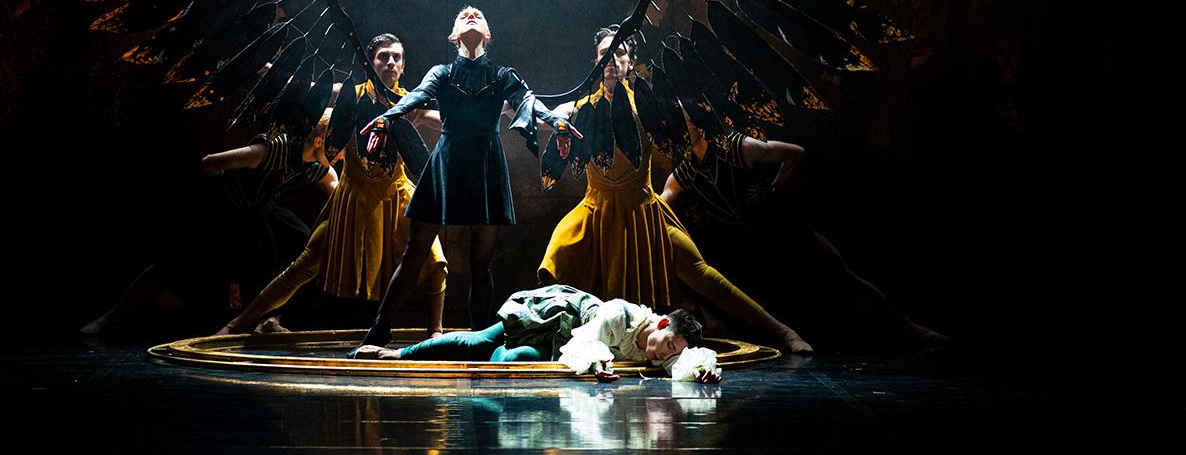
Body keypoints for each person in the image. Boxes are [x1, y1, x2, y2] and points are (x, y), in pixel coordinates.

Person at [537, 28, 812, 354]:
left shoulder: (649, 107)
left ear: (631, 63)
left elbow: (695, 117)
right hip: (596, 211)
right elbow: (552, 116)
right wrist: (521, 109)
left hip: (644, 210)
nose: (612, 61)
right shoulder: (582, 108)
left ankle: (783, 332)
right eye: (604, 55)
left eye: (620, 53)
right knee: (554, 267)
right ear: (595, 63)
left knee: (705, 276)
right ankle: (535, 337)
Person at [349, 6, 582, 352]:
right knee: (416, 250)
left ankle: (477, 338)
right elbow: (417, 96)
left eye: (478, 15)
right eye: (463, 15)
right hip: (447, 163)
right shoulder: (441, 72)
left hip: (485, 166)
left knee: (480, 262)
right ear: (454, 35)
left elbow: (528, 102)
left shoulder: (503, 75)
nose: (471, 14)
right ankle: (380, 328)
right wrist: (387, 117)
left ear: (487, 35)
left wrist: (557, 122)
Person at [215, 33, 449, 336]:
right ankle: (238, 323)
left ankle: (436, 332)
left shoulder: (410, 102)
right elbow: (302, 90)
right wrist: (258, 66)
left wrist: (489, 113)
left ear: (403, 66)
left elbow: (444, 118)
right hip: (352, 197)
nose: (390, 62)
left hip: (397, 197)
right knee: (306, 264)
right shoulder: (349, 94)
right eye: (383, 56)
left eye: (396, 57)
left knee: (435, 261)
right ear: (370, 63)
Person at [661, 116, 946, 347]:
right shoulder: (686, 171)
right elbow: (662, 200)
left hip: (787, 227)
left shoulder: (738, 146)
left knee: (841, 275)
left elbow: (794, 153)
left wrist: (772, 188)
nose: (685, 127)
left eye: (688, 120)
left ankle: (908, 328)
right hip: (755, 241)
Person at [80, 122, 335, 335]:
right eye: (337, 146)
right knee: (172, 264)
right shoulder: (276, 148)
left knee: (298, 243)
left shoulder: (314, 166)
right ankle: (111, 317)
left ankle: (268, 320)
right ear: (317, 142)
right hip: (221, 204)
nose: (340, 154)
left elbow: (333, 180)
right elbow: (210, 163)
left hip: (256, 210)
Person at [355, 284, 720, 383]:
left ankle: (490, 386)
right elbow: (586, 341)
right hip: (553, 316)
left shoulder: (667, 351)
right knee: (480, 341)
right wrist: (596, 365)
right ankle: (397, 354)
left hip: (556, 347)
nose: (664, 354)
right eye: (668, 344)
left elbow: (694, 361)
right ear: (660, 325)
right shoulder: (618, 314)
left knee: (514, 362)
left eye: (673, 352)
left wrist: (705, 369)